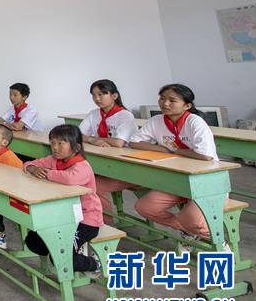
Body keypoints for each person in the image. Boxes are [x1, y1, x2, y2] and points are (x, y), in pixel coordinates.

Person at [130, 84, 224, 251]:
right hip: (177, 179)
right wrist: (162, 149)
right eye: (162, 99)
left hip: (207, 180)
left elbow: (205, 155)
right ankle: (187, 231)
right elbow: (134, 142)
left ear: (187, 105)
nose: (165, 104)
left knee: (192, 219)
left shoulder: (195, 122)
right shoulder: (156, 121)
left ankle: (219, 242)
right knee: (144, 207)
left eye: (172, 100)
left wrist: (173, 150)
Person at [23, 125, 103, 275]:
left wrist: (47, 173)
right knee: (33, 242)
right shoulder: (53, 160)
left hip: (86, 220)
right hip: (62, 216)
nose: (55, 147)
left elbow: (70, 178)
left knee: (61, 257)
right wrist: (33, 169)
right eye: (52, 143)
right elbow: (28, 164)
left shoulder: (82, 166)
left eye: (61, 143)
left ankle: (95, 263)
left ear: (76, 147)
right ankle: (65, 250)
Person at [80, 79, 139, 224]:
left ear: (114, 96)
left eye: (101, 94)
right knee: (81, 178)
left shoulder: (125, 115)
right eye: (94, 95)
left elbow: (119, 143)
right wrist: (94, 140)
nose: (97, 98)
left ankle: (105, 223)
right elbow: (77, 134)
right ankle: (91, 217)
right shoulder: (94, 114)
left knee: (94, 185)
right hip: (105, 162)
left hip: (125, 166)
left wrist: (91, 138)